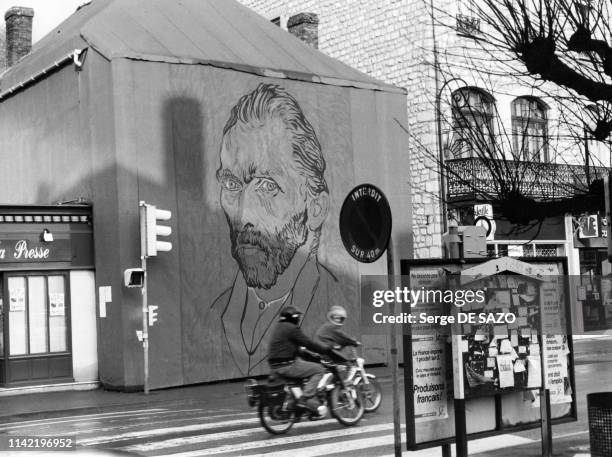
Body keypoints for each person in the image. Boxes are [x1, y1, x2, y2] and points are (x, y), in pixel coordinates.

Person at [209, 83, 346, 377]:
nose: (244, 214)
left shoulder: (337, 297)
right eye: (232, 184)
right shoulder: (213, 312)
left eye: (268, 186)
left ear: (316, 208)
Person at [268, 306, 334, 415]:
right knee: (319, 369)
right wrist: (324, 350)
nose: (298, 318)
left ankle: (296, 410)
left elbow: (291, 347)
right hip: (288, 364)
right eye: (297, 316)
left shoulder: (279, 327)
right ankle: (305, 399)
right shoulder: (291, 328)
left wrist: (309, 355)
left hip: (275, 366)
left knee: (299, 379)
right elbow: (307, 343)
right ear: (293, 317)